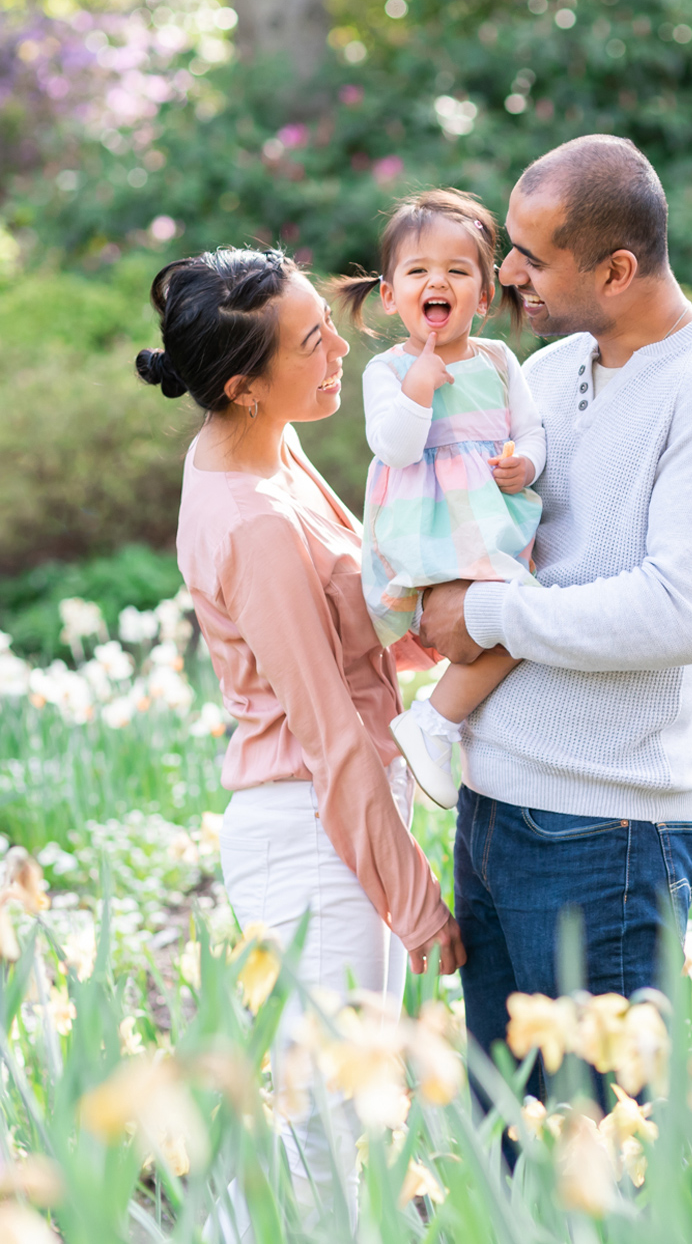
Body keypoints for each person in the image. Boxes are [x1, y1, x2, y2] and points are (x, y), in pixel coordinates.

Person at [419, 135, 692, 1085]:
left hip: (606, 838)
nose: (505, 273)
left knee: (607, 1163)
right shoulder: (541, 375)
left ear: (617, 268)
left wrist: (493, 614)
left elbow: (678, 612)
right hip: (492, 813)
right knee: (510, 1145)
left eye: (535, 257)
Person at [136, 247, 464, 1232]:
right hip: (315, 837)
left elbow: (360, 624)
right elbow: (327, 737)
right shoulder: (255, 524)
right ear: (241, 386)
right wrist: (417, 909)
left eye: (328, 322)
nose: (338, 352)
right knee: (329, 1139)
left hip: (335, 825)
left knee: (339, 1131)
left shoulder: (262, 442)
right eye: (310, 341)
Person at [337, 189, 546, 810]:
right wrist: (419, 388)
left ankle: (437, 722)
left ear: (483, 297)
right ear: (390, 293)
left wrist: (526, 460)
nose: (439, 282)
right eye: (419, 271)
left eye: (458, 271)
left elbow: (531, 427)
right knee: (518, 619)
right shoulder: (389, 371)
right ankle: (432, 724)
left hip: (489, 521)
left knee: (512, 622)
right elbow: (394, 448)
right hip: (426, 529)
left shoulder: (499, 359)